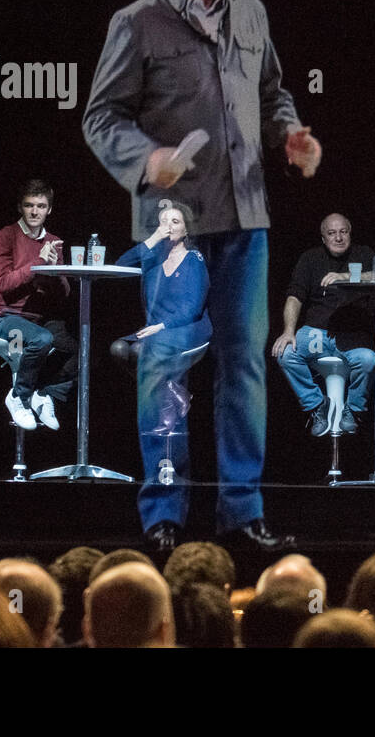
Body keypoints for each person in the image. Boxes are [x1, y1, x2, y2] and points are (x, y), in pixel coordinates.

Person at [84, 0, 321, 552]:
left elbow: (274, 95)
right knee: (167, 368)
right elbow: (101, 118)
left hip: (246, 220)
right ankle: (164, 515)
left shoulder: (250, 14)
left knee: (244, 368)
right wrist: (146, 156)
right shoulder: (137, 24)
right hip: (174, 230)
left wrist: (290, 135)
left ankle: (242, 513)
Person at [112, 203, 213, 548]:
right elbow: (120, 267)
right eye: (163, 221)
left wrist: (160, 326)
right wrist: (153, 237)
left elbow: (191, 308)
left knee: (144, 355)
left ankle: (164, 390)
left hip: (186, 332)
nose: (169, 226)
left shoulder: (194, 261)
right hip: (154, 338)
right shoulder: (153, 259)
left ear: (187, 228)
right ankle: (169, 390)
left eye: (176, 221)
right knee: (120, 350)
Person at [271, 213, 375, 437]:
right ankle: (317, 405)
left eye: (343, 232)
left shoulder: (364, 254)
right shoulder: (310, 258)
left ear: (350, 233)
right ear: (323, 238)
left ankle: (354, 410)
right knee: (285, 353)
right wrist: (288, 331)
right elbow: (294, 296)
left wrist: (345, 277)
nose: (338, 237)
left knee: (368, 360)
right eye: (332, 233)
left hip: (352, 334)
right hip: (317, 333)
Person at [0, 179, 75, 431]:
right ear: (20, 207)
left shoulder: (54, 241)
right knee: (41, 339)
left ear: (49, 210)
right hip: (4, 318)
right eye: (29, 205)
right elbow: (3, 284)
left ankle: (44, 393)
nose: (35, 211)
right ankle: (18, 396)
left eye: (41, 205)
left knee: (82, 350)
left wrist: (55, 268)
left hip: (39, 319)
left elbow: (63, 295)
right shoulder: (5, 237)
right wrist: (37, 263)